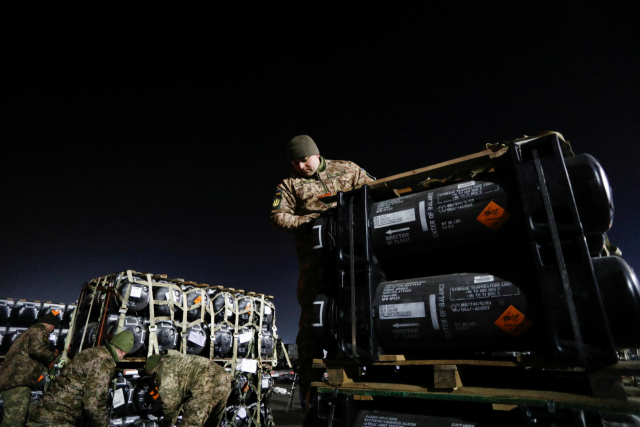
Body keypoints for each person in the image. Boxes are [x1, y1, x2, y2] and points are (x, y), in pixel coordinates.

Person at [270, 135, 374, 408]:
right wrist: (313, 221)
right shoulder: (289, 185)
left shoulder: (348, 169)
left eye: (304, 159)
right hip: (314, 262)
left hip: (354, 257)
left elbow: (374, 193)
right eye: (295, 162)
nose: (301, 166)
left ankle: (367, 373)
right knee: (310, 319)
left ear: (316, 154)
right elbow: (278, 217)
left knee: (361, 310)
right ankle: (310, 385)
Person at [27, 330, 134, 427]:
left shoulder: (91, 352)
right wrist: (104, 424)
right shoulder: (104, 363)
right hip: (58, 419)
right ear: (122, 351)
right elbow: (93, 404)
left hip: (45, 410)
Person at [144, 350, 232, 427]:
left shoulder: (164, 368)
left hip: (206, 384)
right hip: (225, 380)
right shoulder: (176, 360)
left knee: (190, 424)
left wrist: (167, 420)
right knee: (211, 423)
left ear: (153, 369)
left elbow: (170, 402)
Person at [0, 312, 59, 427]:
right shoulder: (39, 331)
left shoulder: (29, 332)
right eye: (54, 326)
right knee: (14, 421)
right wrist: (52, 358)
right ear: (47, 324)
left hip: (15, 381)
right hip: (17, 382)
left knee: (29, 419)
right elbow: (37, 350)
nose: (54, 329)